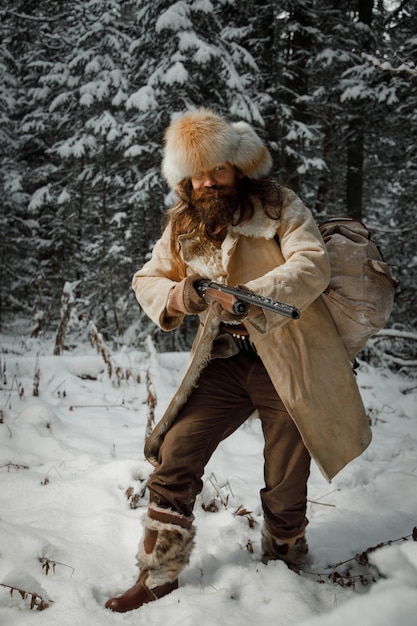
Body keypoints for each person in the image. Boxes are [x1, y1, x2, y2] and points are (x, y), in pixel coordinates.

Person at [105, 108, 372, 613]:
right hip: (223, 361)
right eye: (197, 173)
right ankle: (157, 573)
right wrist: (182, 294)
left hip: (290, 357)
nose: (207, 182)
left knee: (287, 478)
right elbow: (148, 278)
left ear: (238, 168)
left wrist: (253, 296)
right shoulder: (185, 219)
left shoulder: (279, 206)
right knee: (176, 453)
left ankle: (286, 557)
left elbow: (311, 263)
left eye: (218, 170)